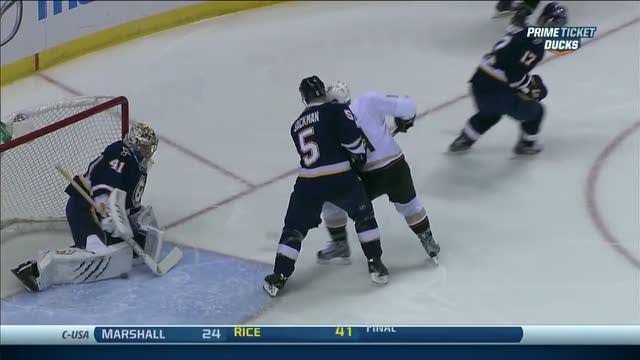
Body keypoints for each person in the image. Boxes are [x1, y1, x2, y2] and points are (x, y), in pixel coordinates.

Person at [263, 76, 388, 297]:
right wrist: (358, 156)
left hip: (308, 182)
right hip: (340, 176)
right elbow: (353, 141)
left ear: (304, 98)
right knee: (364, 217)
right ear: (323, 90)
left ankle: (278, 277)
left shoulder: (295, 126)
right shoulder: (336, 110)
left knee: (293, 229)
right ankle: (375, 264)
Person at [10, 123, 162, 292]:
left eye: (150, 148)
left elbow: (129, 203)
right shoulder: (121, 152)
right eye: (145, 147)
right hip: (85, 207)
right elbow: (106, 182)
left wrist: (131, 223)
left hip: (103, 212)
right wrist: (111, 212)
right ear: (134, 144)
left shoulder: (138, 167)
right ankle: (35, 269)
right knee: (95, 252)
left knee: (128, 246)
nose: (149, 152)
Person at [318, 83, 440, 265]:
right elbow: (409, 107)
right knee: (410, 205)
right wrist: (406, 118)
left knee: (330, 203)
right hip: (396, 166)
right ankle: (429, 242)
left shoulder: (329, 125)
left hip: (367, 177)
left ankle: (340, 245)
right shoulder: (368, 100)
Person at [450, 2, 567, 155]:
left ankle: (465, 139)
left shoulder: (521, 29)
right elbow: (514, 75)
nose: (554, 29)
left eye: (559, 25)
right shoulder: (536, 45)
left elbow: (515, 33)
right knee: (537, 111)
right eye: (554, 24)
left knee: (490, 114)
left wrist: (520, 11)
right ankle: (527, 144)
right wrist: (534, 88)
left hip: (478, 83)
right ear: (543, 20)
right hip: (497, 89)